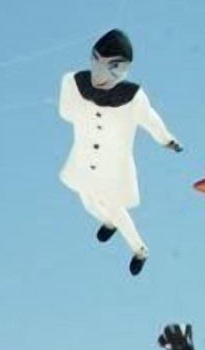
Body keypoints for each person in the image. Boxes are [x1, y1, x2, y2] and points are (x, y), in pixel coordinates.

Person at [58, 28, 181, 276]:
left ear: (124, 68)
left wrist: (166, 139)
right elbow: (66, 112)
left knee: (115, 206)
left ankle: (140, 249)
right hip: (83, 159)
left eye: (113, 66)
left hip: (113, 168)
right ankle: (108, 222)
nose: (101, 72)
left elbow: (151, 120)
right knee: (88, 199)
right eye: (96, 60)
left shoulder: (133, 97)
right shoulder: (73, 83)